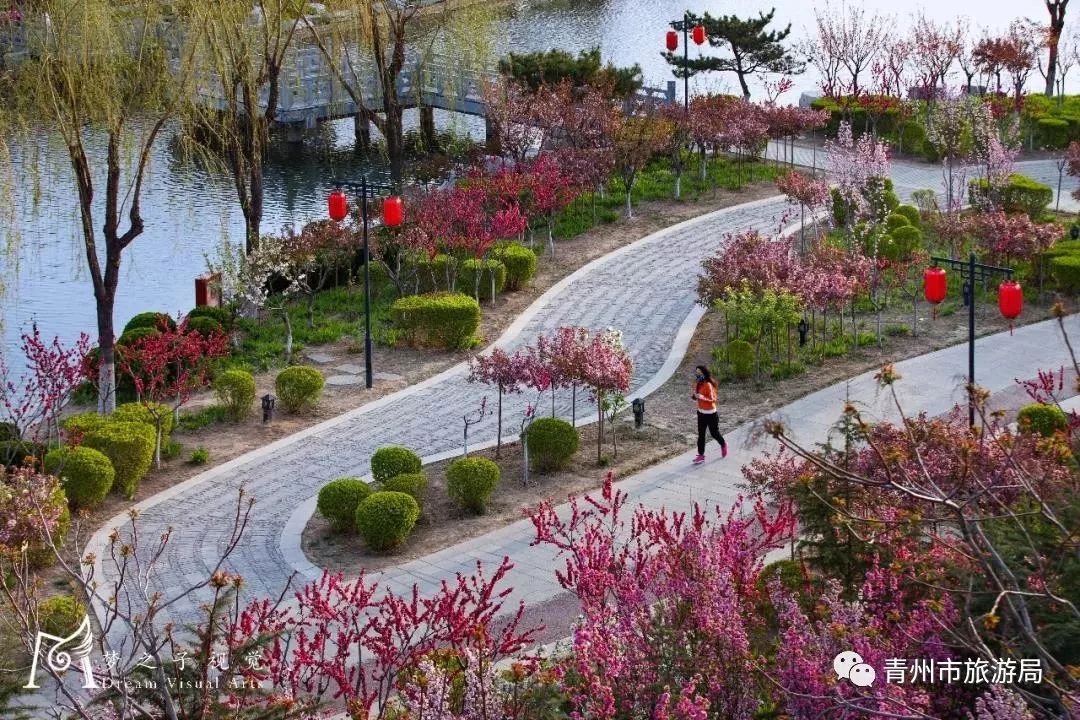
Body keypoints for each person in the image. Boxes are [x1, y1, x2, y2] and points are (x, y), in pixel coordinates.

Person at [691, 365, 726, 464]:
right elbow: (698, 396)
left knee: (714, 433)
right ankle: (701, 455)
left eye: (699, 372)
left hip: (711, 414)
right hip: (701, 413)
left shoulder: (708, 385)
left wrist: (701, 397)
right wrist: (695, 396)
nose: (697, 374)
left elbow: (712, 399)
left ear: (704, 373)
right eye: (696, 372)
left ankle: (723, 444)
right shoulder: (698, 383)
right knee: (701, 435)